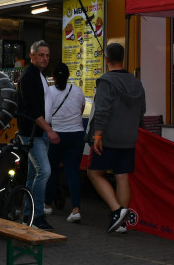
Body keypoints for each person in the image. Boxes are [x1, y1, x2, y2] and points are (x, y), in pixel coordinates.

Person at [86, 42, 147, 233]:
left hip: (108, 137)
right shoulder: (136, 82)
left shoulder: (106, 81)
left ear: (106, 59)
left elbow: (102, 110)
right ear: (122, 59)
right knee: (122, 176)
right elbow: (142, 110)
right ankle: (121, 222)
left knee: (94, 173)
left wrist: (97, 135)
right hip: (129, 137)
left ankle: (116, 210)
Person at [15, 40, 57, 230]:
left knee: (34, 173)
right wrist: (48, 129)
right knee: (44, 171)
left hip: (38, 132)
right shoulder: (29, 76)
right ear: (31, 56)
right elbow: (32, 109)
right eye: (41, 55)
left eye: (47, 55)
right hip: (33, 133)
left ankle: (28, 215)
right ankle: (37, 216)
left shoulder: (38, 75)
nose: (45, 58)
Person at [44, 63, 86, 223]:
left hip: (56, 136)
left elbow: (46, 114)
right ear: (68, 76)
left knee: (52, 171)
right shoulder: (77, 91)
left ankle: (47, 205)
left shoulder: (49, 92)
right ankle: (76, 209)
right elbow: (81, 110)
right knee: (72, 173)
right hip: (76, 135)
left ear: (53, 77)